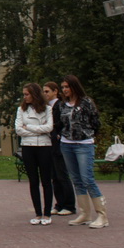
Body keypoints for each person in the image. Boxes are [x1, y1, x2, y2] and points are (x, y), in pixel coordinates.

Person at [60, 75, 108, 228]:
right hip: (66, 144)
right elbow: (60, 123)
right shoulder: (63, 104)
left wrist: (87, 134)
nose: (64, 90)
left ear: (74, 86)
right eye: (62, 87)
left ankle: (102, 215)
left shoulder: (87, 102)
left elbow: (96, 122)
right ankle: (84, 214)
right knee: (76, 179)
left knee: (87, 179)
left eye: (67, 87)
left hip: (84, 144)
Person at [15, 83, 54, 225]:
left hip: (44, 146)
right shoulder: (21, 110)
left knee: (46, 180)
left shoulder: (47, 109)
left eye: (27, 94)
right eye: (24, 94)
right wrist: (39, 129)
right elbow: (19, 129)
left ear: (34, 94)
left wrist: (29, 127)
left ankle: (47, 213)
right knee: (33, 180)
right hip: (28, 146)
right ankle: (38, 213)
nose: (25, 97)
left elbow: (49, 127)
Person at [43, 81, 76, 216]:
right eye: (43, 92)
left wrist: (57, 133)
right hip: (49, 145)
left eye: (47, 91)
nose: (45, 94)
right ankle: (59, 203)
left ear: (55, 91)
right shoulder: (45, 107)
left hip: (59, 145)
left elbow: (62, 123)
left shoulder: (60, 106)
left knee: (62, 175)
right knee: (54, 176)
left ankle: (69, 205)